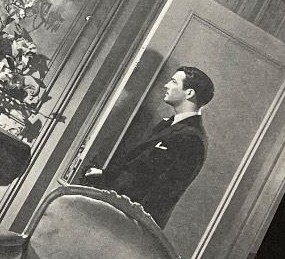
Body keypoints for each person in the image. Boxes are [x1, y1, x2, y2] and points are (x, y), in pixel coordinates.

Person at [84, 65, 214, 227]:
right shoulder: (168, 124)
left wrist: (131, 226)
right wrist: (104, 175)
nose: (167, 85)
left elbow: (164, 196)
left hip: (127, 222)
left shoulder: (193, 139)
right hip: (114, 208)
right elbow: (137, 169)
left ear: (189, 93)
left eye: (174, 82)